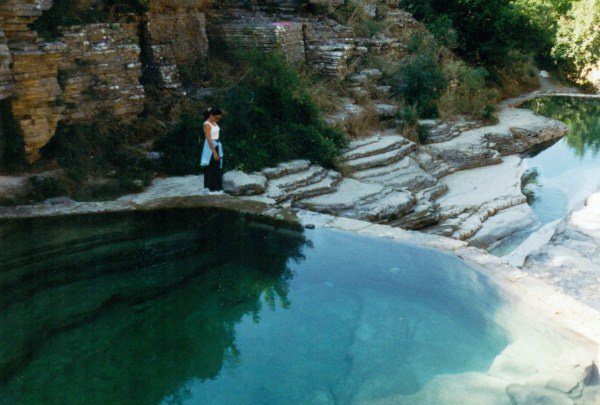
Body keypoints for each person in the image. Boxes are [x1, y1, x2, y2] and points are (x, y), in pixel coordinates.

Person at [200, 107, 223, 192]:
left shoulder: (213, 122)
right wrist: (214, 152)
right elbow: (209, 139)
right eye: (216, 118)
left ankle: (217, 188)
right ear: (211, 115)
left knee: (216, 167)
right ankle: (210, 189)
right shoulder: (207, 124)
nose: (217, 120)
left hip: (216, 144)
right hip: (210, 146)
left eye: (219, 118)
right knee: (210, 167)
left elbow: (209, 109)